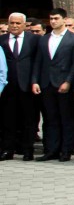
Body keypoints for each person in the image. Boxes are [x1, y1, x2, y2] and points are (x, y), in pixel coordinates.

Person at [35, 8, 74, 161]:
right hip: (46, 83)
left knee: (66, 118)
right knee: (50, 118)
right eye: (51, 18)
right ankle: (51, 150)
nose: (53, 21)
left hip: (64, 83)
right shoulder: (44, 39)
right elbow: (39, 61)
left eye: (56, 18)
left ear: (64, 19)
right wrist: (35, 81)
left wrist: (68, 81)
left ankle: (66, 150)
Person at [1, 11, 40, 160]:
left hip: (28, 86)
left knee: (29, 119)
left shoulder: (34, 40)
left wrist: (35, 81)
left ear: (25, 25)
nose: (15, 26)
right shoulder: (2, 40)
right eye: (12, 23)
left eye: (18, 23)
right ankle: (8, 150)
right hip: (7, 86)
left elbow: (38, 62)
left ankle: (28, 150)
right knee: (8, 120)